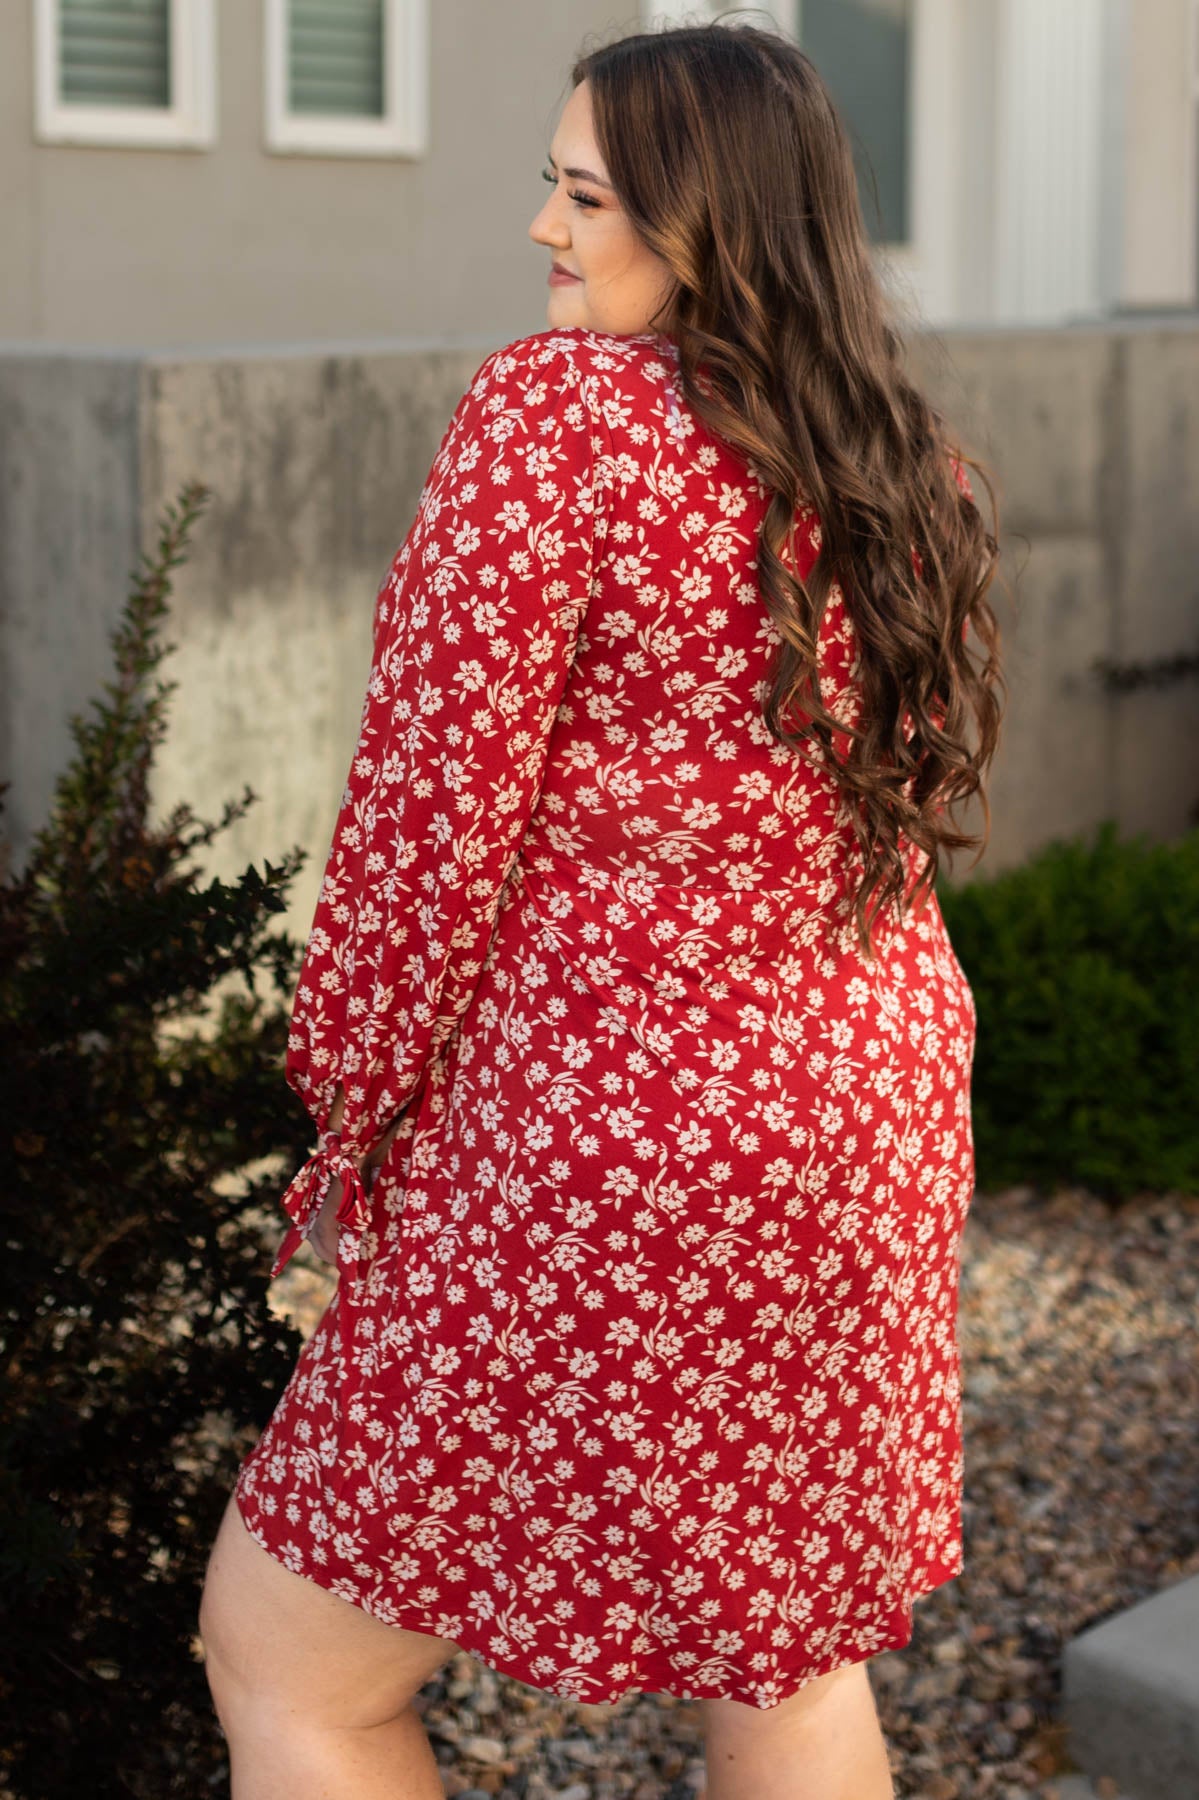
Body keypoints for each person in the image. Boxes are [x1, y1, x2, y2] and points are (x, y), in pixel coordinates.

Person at [198, 18, 1005, 1800]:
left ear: (709, 221)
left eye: (582, 197)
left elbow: (427, 823)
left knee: (284, 1657)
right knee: (780, 1662)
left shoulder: (559, 418)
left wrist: (343, 1111)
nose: (545, 232)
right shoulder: (896, 457)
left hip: (608, 1145)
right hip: (857, 1124)